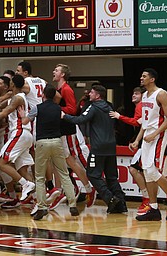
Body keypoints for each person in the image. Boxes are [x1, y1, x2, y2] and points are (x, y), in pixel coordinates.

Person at [62, 84, 127, 213]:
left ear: (97, 95)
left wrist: (64, 116)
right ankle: (121, 204)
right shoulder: (109, 106)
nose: (89, 94)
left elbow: (81, 119)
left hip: (98, 147)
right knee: (111, 177)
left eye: (91, 92)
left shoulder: (93, 107)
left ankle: (110, 199)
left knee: (92, 174)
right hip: (111, 145)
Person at [19, 84, 80, 220]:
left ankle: (41, 207)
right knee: (64, 174)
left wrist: (23, 115)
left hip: (42, 143)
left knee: (40, 177)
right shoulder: (58, 109)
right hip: (57, 142)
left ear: (43, 95)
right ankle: (72, 204)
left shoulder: (37, 108)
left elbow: (25, 122)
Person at [130, 68, 167, 221]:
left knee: (153, 171)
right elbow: (145, 124)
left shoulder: (161, 94)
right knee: (147, 173)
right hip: (147, 136)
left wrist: (154, 134)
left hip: (159, 136)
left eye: (144, 76)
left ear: (152, 79)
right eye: (141, 75)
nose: (141, 78)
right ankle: (153, 208)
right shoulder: (145, 95)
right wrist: (137, 140)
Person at [0, 74, 36, 203]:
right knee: (22, 169)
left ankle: (25, 184)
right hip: (24, 135)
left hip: (19, 132)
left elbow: (2, 114)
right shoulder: (14, 98)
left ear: (13, 84)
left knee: (1, 163)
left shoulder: (18, 98)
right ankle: (37, 200)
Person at [52, 64, 96, 210]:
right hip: (61, 129)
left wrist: (55, 109)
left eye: (56, 70)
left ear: (63, 75)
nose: (54, 72)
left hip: (68, 129)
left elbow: (72, 109)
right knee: (64, 161)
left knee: (71, 159)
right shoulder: (59, 89)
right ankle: (73, 188)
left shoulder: (66, 89)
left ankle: (89, 188)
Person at [109, 87, 150, 214]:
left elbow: (137, 123)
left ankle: (148, 199)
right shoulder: (143, 106)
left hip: (148, 143)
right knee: (149, 173)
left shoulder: (141, 106)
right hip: (145, 142)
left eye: (136, 93)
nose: (133, 95)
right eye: (133, 93)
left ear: (143, 95)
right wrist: (135, 140)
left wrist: (119, 116)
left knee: (134, 169)